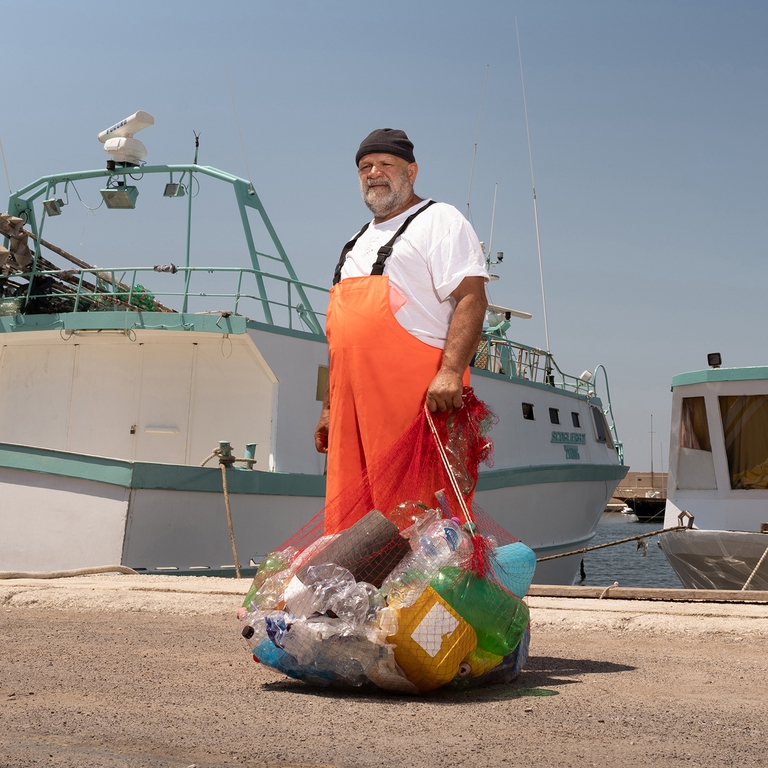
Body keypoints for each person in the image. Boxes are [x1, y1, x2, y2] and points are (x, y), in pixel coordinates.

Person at [314, 128, 489, 530]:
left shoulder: (440, 220)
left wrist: (449, 372)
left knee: (417, 504)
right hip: (350, 403)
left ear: (411, 170)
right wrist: (328, 407)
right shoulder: (355, 241)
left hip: (413, 395)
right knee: (350, 511)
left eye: (385, 164)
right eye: (365, 166)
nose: (374, 172)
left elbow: (471, 299)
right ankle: (361, 590)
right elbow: (341, 338)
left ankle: (424, 589)